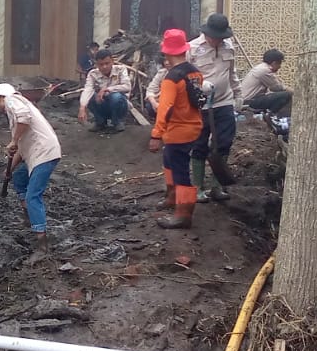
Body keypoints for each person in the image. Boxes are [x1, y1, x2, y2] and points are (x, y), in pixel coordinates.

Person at [0, 82, 62, 250]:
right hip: (37, 154)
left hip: (44, 154)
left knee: (33, 196)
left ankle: (41, 243)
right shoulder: (16, 112)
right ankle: (29, 217)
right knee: (19, 177)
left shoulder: (12, 100)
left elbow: (24, 118)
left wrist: (14, 140)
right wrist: (9, 169)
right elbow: (21, 150)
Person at [147, 28, 205, 230]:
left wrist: (156, 134)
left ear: (167, 52)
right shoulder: (194, 72)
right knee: (169, 160)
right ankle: (172, 197)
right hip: (194, 126)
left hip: (178, 130)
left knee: (180, 171)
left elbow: (165, 108)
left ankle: (183, 214)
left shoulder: (171, 78)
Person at [187, 12, 241, 202]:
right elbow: (183, 75)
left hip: (224, 102)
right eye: (215, 37)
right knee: (200, 143)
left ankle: (217, 187)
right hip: (201, 105)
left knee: (223, 143)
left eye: (221, 38)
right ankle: (198, 187)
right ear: (207, 34)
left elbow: (232, 72)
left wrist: (238, 94)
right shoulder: (192, 48)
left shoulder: (228, 47)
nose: (218, 41)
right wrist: (197, 86)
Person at [78, 49, 133, 131]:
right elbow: (87, 89)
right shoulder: (93, 74)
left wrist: (107, 89)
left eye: (107, 63)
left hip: (119, 105)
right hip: (103, 103)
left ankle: (117, 122)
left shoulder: (121, 69)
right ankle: (100, 122)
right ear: (96, 64)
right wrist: (82, 107)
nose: (104, 67)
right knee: (90, 96)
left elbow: (127, 87)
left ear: (112, 61)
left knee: (116, 96)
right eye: (101, 64)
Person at [239, 48, 292, 116]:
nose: (279, 67)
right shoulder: (265, 70)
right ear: (274, 63)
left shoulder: (260, 68)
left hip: (247, 100)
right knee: (286, 95)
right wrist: (295, 94)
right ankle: (270, 115)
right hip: (249, 102)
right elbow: (277, 88)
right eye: (279, 64)